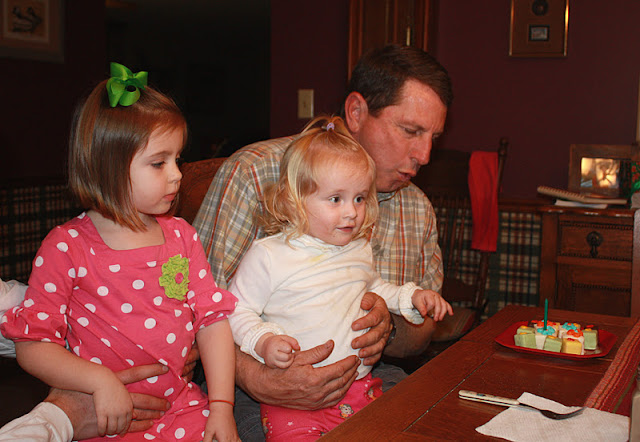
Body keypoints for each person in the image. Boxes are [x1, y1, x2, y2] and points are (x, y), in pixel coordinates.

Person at [193, 44, 453, 440]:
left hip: (366, 377)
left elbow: (423, 334)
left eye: (434, 137)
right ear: (356, 112)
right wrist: (257, 376)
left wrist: (389, 325)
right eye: (411, 131)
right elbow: (194, 310)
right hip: (249, 383)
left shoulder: (417, 207)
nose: (425, 154)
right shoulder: (255, 173)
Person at [0, 63, 239, 442]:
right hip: (104, 419)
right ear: (107, 167)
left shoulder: (182, 236)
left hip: (183, 407)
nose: (177, 174)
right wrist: (99, 381)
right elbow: (33, 345)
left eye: (177, 159)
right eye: (159, 163)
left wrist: (223, 407)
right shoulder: (66, 246)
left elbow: (212, 322)